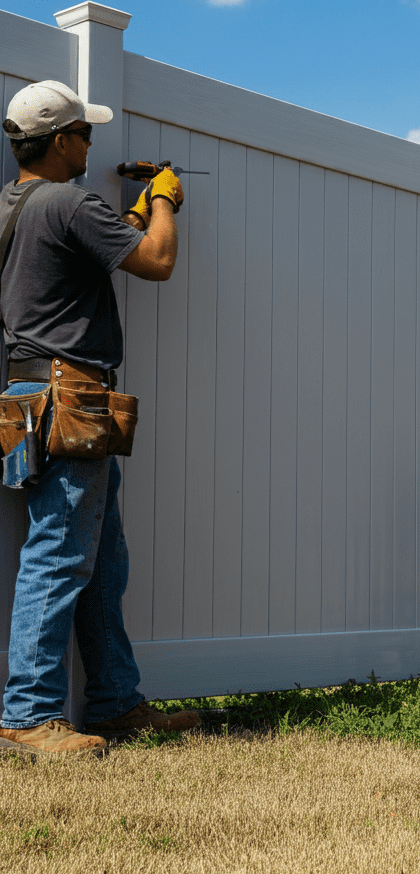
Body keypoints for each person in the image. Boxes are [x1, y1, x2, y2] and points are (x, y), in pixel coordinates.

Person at [0, 80, 199, 755]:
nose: (91, 142)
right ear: (61, 142)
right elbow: (158, 261)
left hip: (31, 396)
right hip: (72, 398)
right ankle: (28, 716)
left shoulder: (17, 205)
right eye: (84, 133)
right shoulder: (69, 202)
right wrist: (166, 199)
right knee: (59, 556)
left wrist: (133, 214)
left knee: (101, 559)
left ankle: (114, 701)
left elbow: (102, 246)